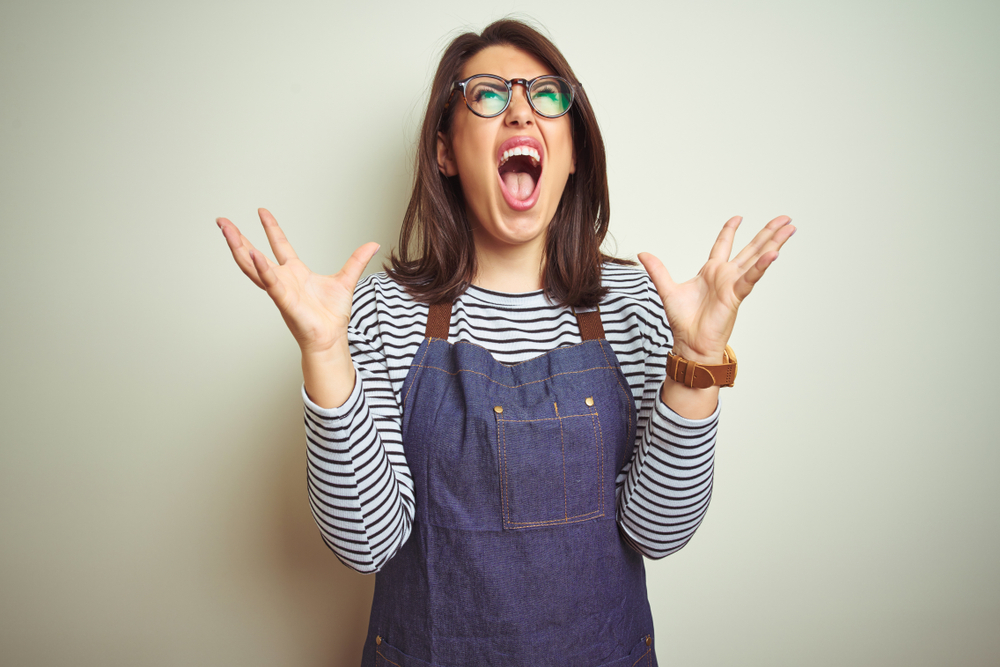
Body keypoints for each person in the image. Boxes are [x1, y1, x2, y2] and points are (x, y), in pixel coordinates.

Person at [217, 19, 793, 667]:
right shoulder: (380, 311)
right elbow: (366, 542)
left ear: (572, 152)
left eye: (545, 94)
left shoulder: (637, 306)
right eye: (488, 94)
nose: (520, 109)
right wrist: (324, 353)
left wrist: (699, 360)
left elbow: (658, 532)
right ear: (445, 152)